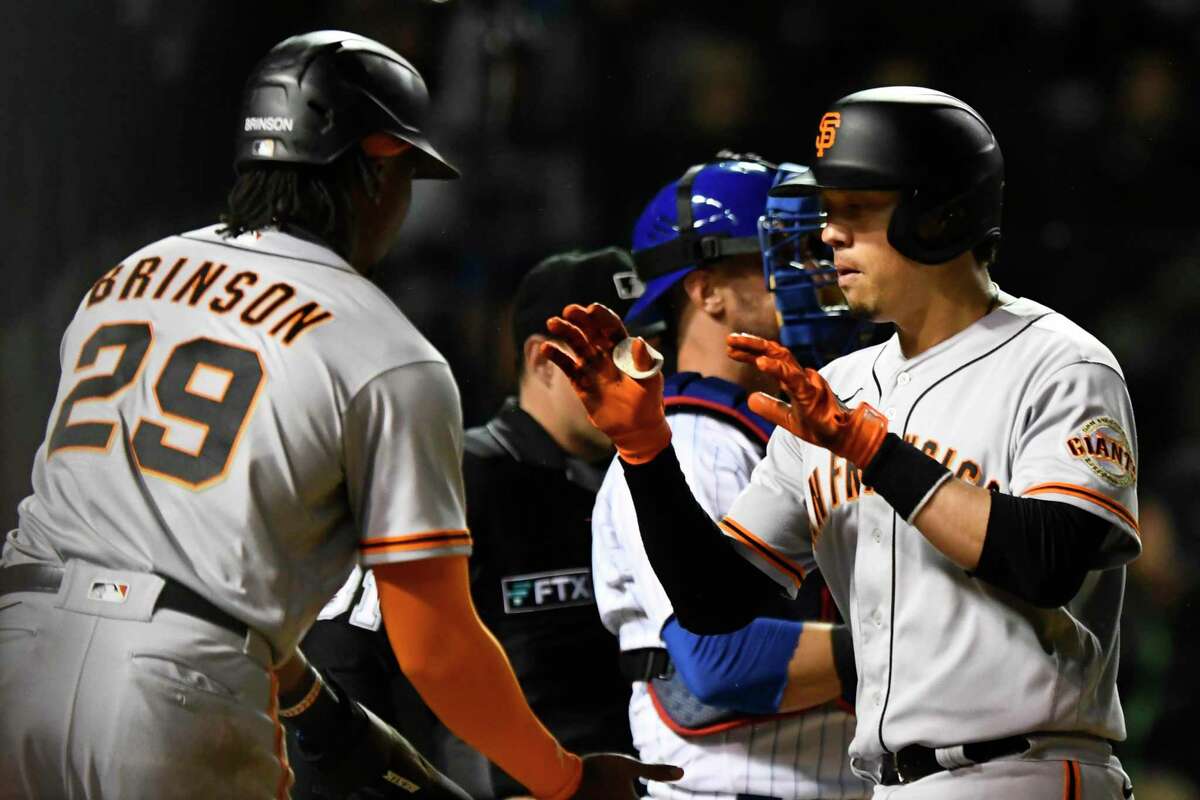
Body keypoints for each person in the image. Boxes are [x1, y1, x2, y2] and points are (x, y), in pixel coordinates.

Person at [0, 30, 679, 800]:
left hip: (18, 649)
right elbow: (436, 648)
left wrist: (310, 696)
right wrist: (564, 780)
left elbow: (155, 537)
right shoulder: (386, 347)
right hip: (175, 688)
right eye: (409, 172)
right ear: (378, 163)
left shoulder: (125, 277)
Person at [544, 87, 1139, 798]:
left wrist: (872, 450)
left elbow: (1050, 561)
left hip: (1028, 769)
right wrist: (645, 450)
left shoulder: (1056, 362)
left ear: (938, 214)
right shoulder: (836, 388)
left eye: (855, 212)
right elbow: (716, 605)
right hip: (883, 780)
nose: (828, 236)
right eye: (828, 214)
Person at [299, 247, 646, 799]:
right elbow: (346, 653)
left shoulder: (650, 482)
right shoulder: (459, 478)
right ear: (542, 360)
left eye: (651, 348)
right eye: (617, 353)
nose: (642, 372)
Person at [591, 154, 870, 800]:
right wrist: (923, 643)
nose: (813, 271)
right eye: (782, 253)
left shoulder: (782, 427)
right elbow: (716, 661)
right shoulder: (690, 440)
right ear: (706, 288)